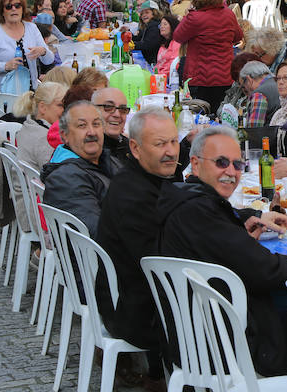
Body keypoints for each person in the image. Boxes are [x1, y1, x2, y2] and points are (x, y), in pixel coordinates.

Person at [157, 127, 287, 376]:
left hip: (194, 330)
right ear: (195, 164)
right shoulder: (199, 211)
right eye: (221, 162)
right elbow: (264, 269)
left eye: (237, 164)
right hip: (219, 342)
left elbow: (228, 248)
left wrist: (238, 227)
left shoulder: (184, 198)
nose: (231, 172)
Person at [95, 107, 180, 385]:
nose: (171, 151)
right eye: (160, 144)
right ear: (135, 147)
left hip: (139, 296)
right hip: (139, 312)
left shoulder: (144, 179)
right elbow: (162, 261)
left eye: (174, 142)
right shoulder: (133, 194)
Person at [41, 100, 115, 236]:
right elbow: (94, 232)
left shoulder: (106, 160)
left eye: (96, 124)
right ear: (65, 135)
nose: (91, 132)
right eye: (82, 126)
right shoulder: (66, 178)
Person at [172, 0, 243, 113]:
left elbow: (178, 36)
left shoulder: (194, 18)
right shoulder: (228, 14)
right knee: (220, 114)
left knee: (200, 116)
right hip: (224, 75)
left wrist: (187, 16)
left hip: (200, 77)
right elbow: (238, 37)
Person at [0, 0, 54, 92]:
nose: (14, 9)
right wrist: (5, 66)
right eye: (9, 7)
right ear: (2, 11)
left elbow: (49, 60)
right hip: (2, 93)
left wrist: (43, 51)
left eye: (18, 5)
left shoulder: (32, 28)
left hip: (30, 94)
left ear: (22, 9)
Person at [15, 81, 68, 173]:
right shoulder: (45, 138)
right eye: (60, 105)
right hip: (36, 186)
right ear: (42, 107)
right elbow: (57, 175)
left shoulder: (29, 125)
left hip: (25, 184)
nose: (65, 110)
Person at [92, 87, 132, 172]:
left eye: (123, 109)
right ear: (92, 109)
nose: (117, 114)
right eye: (108, 107)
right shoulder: (90, 151)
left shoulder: (130, 146)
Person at [240, 61, 280, 127]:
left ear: (249, 80)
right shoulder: (280, 83)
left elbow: (254, 128)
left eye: (244, 87)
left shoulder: (259, 94)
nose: (246, 91)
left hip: (268, 136)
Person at [131, 0, 162, 64]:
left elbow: (147, 45)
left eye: (147, 12)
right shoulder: (147, 26)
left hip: (153, 62)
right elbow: (139, 38)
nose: (144, 15)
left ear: (154, 13)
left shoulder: (155, 26)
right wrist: (128, 34)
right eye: (142, 13)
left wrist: (132, 45)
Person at [155, 15, 181, 82]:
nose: (162, 27)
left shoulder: (176, 42)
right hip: (159, 77)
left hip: (169, 79)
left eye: (165, 24)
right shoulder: (163, 44)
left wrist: (160, 75)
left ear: (172, 26)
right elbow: (159, 63)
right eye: (160, 25)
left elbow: (174, 64)